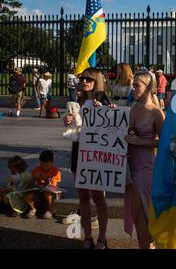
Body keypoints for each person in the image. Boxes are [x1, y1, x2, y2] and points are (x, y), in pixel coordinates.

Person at [63, 67, 112, 249]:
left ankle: (102, 238)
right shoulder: (78, 100)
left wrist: (106, 111)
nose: (84, 81)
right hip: (79, 152)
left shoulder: (104, 101)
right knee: (83, 196)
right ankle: (87, 237)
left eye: (89, 79)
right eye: (82, 78)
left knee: (99, 197)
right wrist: (66, 121)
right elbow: (72, 125)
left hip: (97, 154)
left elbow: (113, 126)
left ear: (97, 81)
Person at [123, 71, 165, 249]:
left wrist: (142, 142)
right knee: (137, 214)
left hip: (147, 167)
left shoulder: (156, 113)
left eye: (137, 85)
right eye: (133, 85)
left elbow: (164, 143)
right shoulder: (134, 107)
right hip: (131, 165)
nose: (133, 88)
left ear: (148, 88)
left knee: (142, 213)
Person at [25, 150, 61, 220]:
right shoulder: (36, 170)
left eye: (47, 165)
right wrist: (34, 178)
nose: (44, 167)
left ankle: (51, 210)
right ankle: (33, 209)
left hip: (51, 192)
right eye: (42, 165)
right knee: (28, 196)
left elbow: (53, 186)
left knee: (47, 193)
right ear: (39, 161)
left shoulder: (56, 171)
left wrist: (45, 179)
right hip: (39, 190)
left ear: (52, 162)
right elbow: (29, 186)